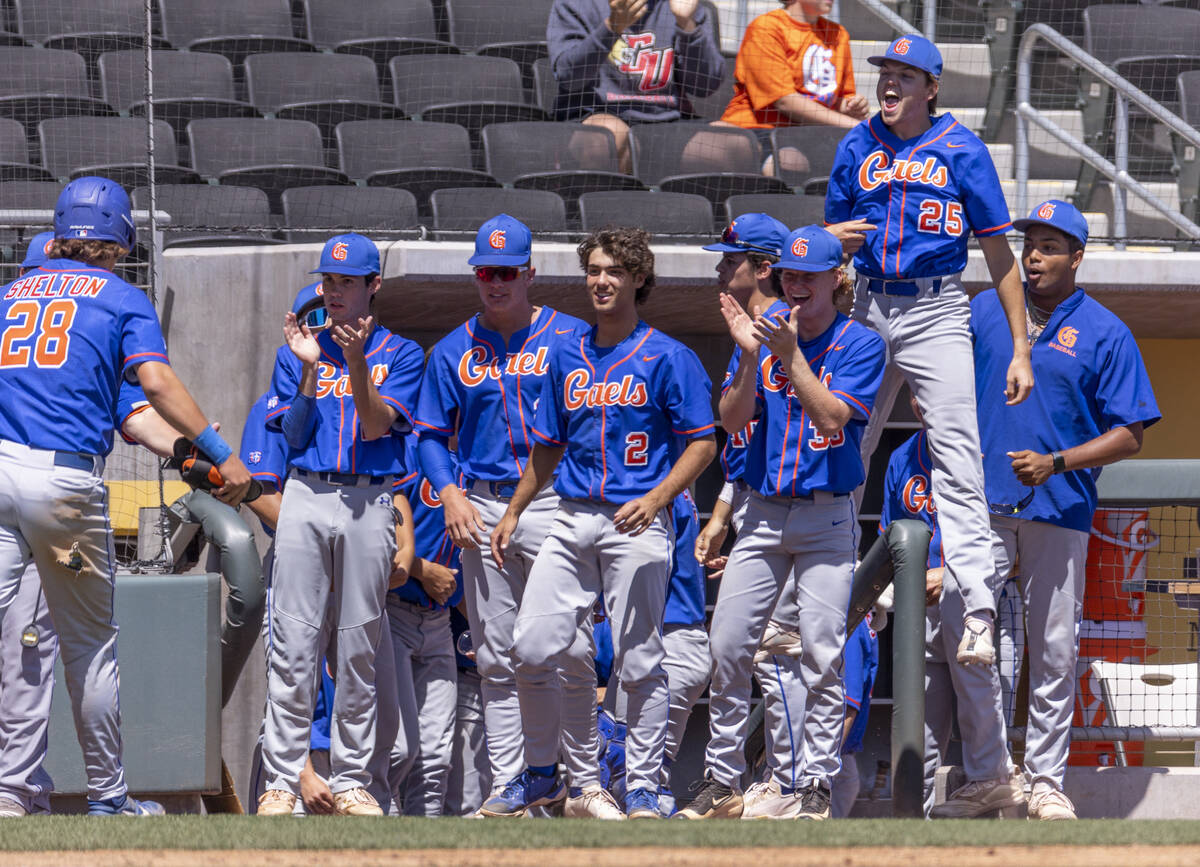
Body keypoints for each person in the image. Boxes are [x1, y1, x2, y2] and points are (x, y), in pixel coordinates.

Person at [0, 176, 251, 817]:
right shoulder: (117, 298)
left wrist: (187, 454)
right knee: (88, 647)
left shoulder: (8, 297)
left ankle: (11, 794)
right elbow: (157, 385)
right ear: (119, 240)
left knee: (13, 646)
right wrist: (221, 455)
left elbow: (132, 415)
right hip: (61, 491)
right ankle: (109, 798)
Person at [935, 200, 1160, 821]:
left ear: (1077, 257)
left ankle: (1045, 781)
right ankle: (989, 775)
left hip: (1059, 506)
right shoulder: (983, 311)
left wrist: (1057, 462)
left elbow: (1131, 433)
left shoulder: (1106, 329)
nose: (1033, 255)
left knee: (1054, 650)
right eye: (1029, 243)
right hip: (978, 502)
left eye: (1050, 246)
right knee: (965, 634)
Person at [486, 226, 717, 820]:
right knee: (531, 646)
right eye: (592, 269)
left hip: (635, 520)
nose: (601, 280)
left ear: (640, 278)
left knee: (640, 660)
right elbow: (547, 446)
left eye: (614, 270)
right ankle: (542, 774)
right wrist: (514, 509)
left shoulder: (670, 355)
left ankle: (641, 785)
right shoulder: (566, 351)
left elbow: (703, 445)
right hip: (569, 513)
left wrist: (661, 498)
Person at [825, 34, 1034, 679]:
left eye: (905, 75)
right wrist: (830, 239)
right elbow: (824, 248)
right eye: (886, 72)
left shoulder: (963, 149)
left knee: (957, 454)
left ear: (931, 87)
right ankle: (830, 592)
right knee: (841, 444)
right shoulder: (857, 144)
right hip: (866, 303)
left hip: (938, 305)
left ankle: (977, 609)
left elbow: (1000, 255)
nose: (890, 84)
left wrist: (1021, 346)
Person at [681, 225, 885, 821]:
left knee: (821, 653)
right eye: (789, 275)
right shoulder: (761, 338)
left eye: (808, 277)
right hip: (764, 513)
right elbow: (731, 419)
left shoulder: (859, 342)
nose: (796, 286)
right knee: (728, 645)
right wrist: (750, 356)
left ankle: (815, 782)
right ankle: (722, 778)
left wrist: (787, 354)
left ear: (834, 280)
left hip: (827, 516)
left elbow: (832, 421)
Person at [414, 215, 591, 815]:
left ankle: (580, 779)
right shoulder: (452, 348)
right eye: (485, 271)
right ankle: (512, 783)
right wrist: (450, 493)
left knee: (563, 646)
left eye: (506, 272)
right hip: (484, 500)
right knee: (494, 656)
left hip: (554, 500)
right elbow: (430, 436)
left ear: (529, 274)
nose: (495, 282)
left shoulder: (571, 338)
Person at [257, 233, 423, 817]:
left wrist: (354, 362)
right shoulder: (302, 347)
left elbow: (377, 426)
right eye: (328, 281)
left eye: (346, 282)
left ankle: (352, 778)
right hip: (306, 489)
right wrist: (308, 371)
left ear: (373, 286)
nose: (334, 292)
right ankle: (280, 779)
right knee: (294, 641)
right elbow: (294, 437)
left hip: (369, 498)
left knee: (358, 645)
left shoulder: (402, 352)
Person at [692, 213, 814, 819]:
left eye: (730, 259)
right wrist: (720, 512)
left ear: (764, 267)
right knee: (733, 647)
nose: (720, 268)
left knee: (781, 650)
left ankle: (789, 781)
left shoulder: (799, 331)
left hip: (803, 507)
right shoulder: (746, 337)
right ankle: (729, 779)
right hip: (751, 501)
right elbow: (737, 439)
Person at [603, 487, 711, 816]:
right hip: (658, 640)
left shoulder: (652, 489)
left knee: (635, 772)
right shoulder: (667, 488)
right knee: (615, 763)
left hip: (672, 643)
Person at [547, 0, 725, 172]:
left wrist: (686, 25)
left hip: (668, 121)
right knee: (607, 136)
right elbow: (568, 77)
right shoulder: (575, 3)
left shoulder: (686, 5)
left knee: (732, 141)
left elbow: (706, 86)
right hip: (596, 114)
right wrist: (612, 27)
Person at [386, 436, 463, 817]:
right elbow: (375, 530)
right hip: (394, 611)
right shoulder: (411, 446)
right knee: (396, 749)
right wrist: (421, 569)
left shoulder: (482, 458)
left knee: (435, 759)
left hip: (441, 623)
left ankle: (422, 851)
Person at [719, 0, 867, 136]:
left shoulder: (838, 34)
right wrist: (855, 125)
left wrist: (852, 106)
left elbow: (837, 100)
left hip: (813, 132)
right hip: (757, 130)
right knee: (791, 159)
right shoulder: (766, 27)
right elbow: (785, 102)